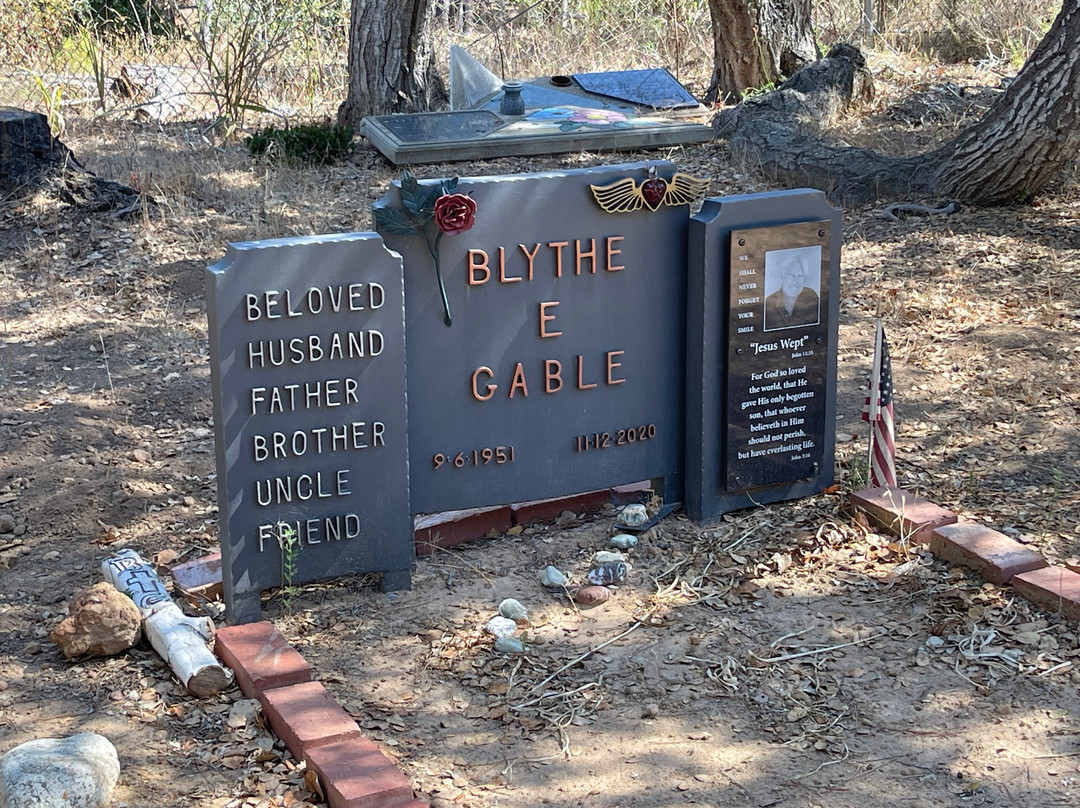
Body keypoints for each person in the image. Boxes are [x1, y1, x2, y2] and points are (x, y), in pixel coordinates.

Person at [764, 255, 819, 330]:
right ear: (783, 276)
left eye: (800, 276)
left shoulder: (811, 297)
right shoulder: (769, 303)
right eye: (791, 276)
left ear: (804, 279)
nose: (796, 281)